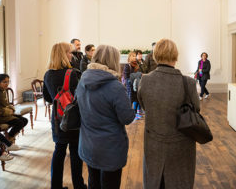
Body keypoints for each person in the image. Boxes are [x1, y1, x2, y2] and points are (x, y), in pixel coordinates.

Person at [138, 39, 199, 189]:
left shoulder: (144, 81)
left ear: (155, 56)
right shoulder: (188, 83)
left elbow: (144, 106)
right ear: (176, 57)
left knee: (155, 182)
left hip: (154, 140)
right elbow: (196, 110)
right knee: (180, 181)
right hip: (181, 142)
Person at [76, 45, 135, 189]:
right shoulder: (115, 87)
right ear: (113, 61)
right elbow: (127, 118)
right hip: (110, 149)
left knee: (93, 182)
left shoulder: (83, 80)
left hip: (88, 144)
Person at [43, 42, 86, 189]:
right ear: (63, 54)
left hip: (57, 118)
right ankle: (79, 185)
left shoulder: (47, 74)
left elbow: (48, 98)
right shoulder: (72, 73)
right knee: (75, 152)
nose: (71, 55)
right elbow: (78, 97)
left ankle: (56, 186)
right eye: (69, 52)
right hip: (73, 118)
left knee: (59, 151)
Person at [0, 74, 28, 143]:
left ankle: (8, 138)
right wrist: (7, 111)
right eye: (4, 82)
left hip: (5, 115)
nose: (7, 84)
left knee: (24, 120)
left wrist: (11, 109)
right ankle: (7, 140)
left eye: (8, 81)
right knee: (19, 123)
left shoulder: (2, 90)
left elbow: (5, 104)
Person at [123, 52, 142, 119]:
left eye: (135, 56)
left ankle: (136, 113)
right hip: (129, 84)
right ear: (129, 57)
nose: (134, 57)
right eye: (133, 56)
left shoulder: (136, 65)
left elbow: (138, 74)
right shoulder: (127, 65)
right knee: (130, 98)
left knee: (137, 98)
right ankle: (128, 113)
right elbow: (126, 77)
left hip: (135, 84)